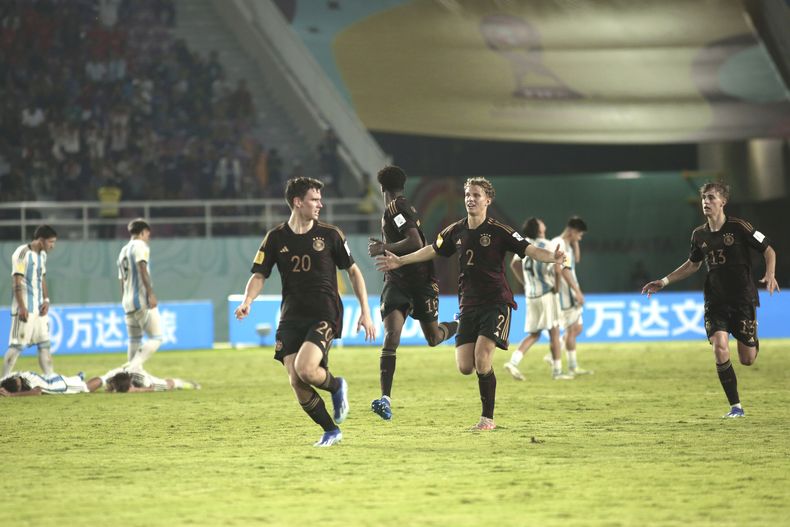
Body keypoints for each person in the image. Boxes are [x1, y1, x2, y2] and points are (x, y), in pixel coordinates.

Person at [376, 177, 564, 430]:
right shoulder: (456, 230)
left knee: (482, 359)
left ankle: (487, 419)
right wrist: (401, 260)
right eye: (467, 194)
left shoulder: (500, 230)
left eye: (476, 195)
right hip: (468, 304)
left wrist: (553, 257)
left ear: (488, 200)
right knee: (465, 367)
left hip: (496, 302)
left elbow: (530, 250)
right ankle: (464, 338)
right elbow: (432, 249)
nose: (470, 199)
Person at [235, 177, 376, 447]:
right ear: (297, 202)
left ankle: (336, 385)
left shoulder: (331, 235)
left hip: (324, 313)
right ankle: (331, 430)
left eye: (320, 199)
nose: (320, 204)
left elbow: (353, 271)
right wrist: (247, 301)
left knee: (306, 369)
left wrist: (365, 311)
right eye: (314, 199)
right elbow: (259, 274)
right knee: (296, 380)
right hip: (291, 317)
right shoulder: (275, 237)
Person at [642, 182, 778, 418]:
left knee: (747, 359)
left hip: (743, 298)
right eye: (704, 197)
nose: (706, 201)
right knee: (720, 347)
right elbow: (693, 264)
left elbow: (768, 250)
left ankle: (752, 340)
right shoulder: (699, 234)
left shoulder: (739, 226)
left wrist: (770, 273)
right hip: (715, 301)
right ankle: (736, 407)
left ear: (723, 201)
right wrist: (663, 281)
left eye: (711, 197)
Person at [367, 165, 459, 420]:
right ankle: (385, 399)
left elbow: (415, 242)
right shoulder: (399, 206)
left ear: (381, 187)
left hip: (420, 282)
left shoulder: (396, 208)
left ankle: (459, 324)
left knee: (433, 338)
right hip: (397, 282)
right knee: (391, 336)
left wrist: (384, 247)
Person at [504, 218, 573, 381]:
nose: (544, 223)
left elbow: (513, 265)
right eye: (541, 223)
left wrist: (525, 283)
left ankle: (513, 362)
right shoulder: (549, 245)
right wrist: (557, 287)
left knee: (534, 334)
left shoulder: (524, 244)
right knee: (554, 331)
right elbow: (558, 269)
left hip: (531, 295)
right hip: (547, 293)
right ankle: (557, 371)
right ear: (539, 229)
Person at [3, 225, 58, 378]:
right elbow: (16, 281)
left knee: (44, 344)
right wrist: (21, 307)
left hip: (39, 309)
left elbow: (42, 277)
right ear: (41, 240)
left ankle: (50, 378)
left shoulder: (43, 255)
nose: (52, 246)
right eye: (51, 242)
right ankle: (3, 379)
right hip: (25, 308)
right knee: (17, 345)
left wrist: (46, 299)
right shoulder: (22, 253)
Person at [117, 218, 162, 372]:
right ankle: (131, 368)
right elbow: (142, 269)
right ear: (143, 232)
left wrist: (124, 299)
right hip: (140, 300)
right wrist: (150, 294)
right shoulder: (140, 246)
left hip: (127, 302)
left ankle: (132, 378)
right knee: (156, 337)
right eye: (147, 234)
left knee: (134, 340)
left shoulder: (122, 251)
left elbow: (122, 280)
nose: (148, 237)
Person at [550, 216, 592, 375]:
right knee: (572, 328)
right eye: (579, 234)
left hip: (570, 290)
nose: (580, 238)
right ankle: (570, 365)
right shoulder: (558, 243)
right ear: (572, 231)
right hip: (566, 293)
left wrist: (574, 242)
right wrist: (577, 291)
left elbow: (576, 260)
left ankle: (563, 358)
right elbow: (563, 270)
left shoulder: (567, 244)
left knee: (576, 328)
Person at [86, 367, 200, 393]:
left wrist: (139, 390)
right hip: (126, 371)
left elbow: (152, 388)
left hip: (140, 374)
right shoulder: (112, 376)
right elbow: (99, 380)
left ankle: (182, 383)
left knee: (167, 385)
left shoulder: (143, 380)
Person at [0, 371, 88, 396]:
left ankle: (79, 377)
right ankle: (78, 376)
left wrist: (11, 395)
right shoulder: (12, 376)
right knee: (74, 379)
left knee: (86, 387)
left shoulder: (30, 383)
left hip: (59, 384)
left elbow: (38, 391)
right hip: (47, 377)